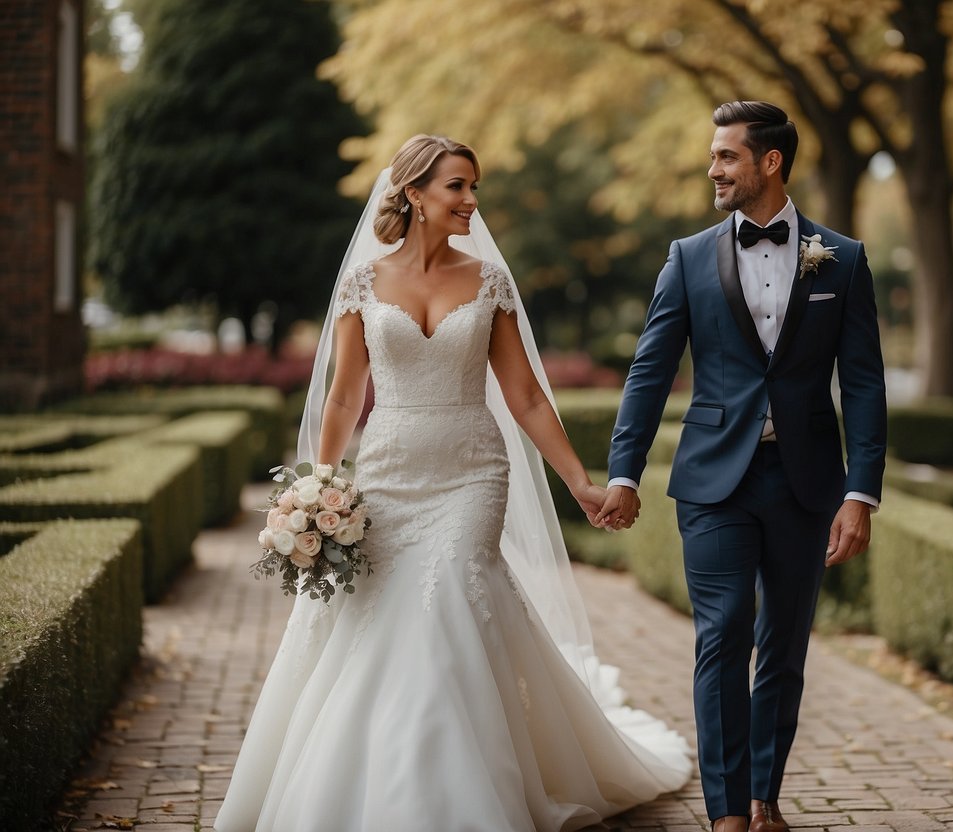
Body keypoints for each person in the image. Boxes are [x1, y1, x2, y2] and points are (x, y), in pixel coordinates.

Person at [213, 135, 691, 832]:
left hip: (470, 472)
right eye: (457, 188)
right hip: (387, 472)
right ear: (414, 195)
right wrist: (317, 485)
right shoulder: (363, 283)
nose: (471, 202)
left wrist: (580, 484)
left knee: (449, 603)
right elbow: (346, 397)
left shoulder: (488, 282)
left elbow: (525, 396)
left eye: (473, 189)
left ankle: (460, 796)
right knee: (376, 624)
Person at [596, 101, 887, 832]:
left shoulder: (842, 258)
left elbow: (863, 382)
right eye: (712, 155)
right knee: (722, 633)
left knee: (782, 643)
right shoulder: (687, 257)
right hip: (712, 482)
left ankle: (764, 798)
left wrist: (861, 492)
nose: (712, 168)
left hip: (805, 482)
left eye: (726, 156)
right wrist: (623, 472)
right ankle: (726, 812)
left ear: (769, 162)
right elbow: (649, 370)